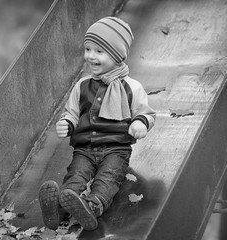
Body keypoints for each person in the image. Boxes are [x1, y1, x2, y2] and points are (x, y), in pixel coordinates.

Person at [38, 16, 156, 231]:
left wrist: (140, 123)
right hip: (84, 148)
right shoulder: (82, 86)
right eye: (88, 49)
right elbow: (72, 112)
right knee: (76, 176)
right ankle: (59, 209)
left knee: (108, 178)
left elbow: (146, 113)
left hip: (116, 149)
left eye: (99, 51)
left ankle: (92, 207)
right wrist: (66, 123)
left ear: (117, 55)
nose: (90, 56)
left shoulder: (132, 87)